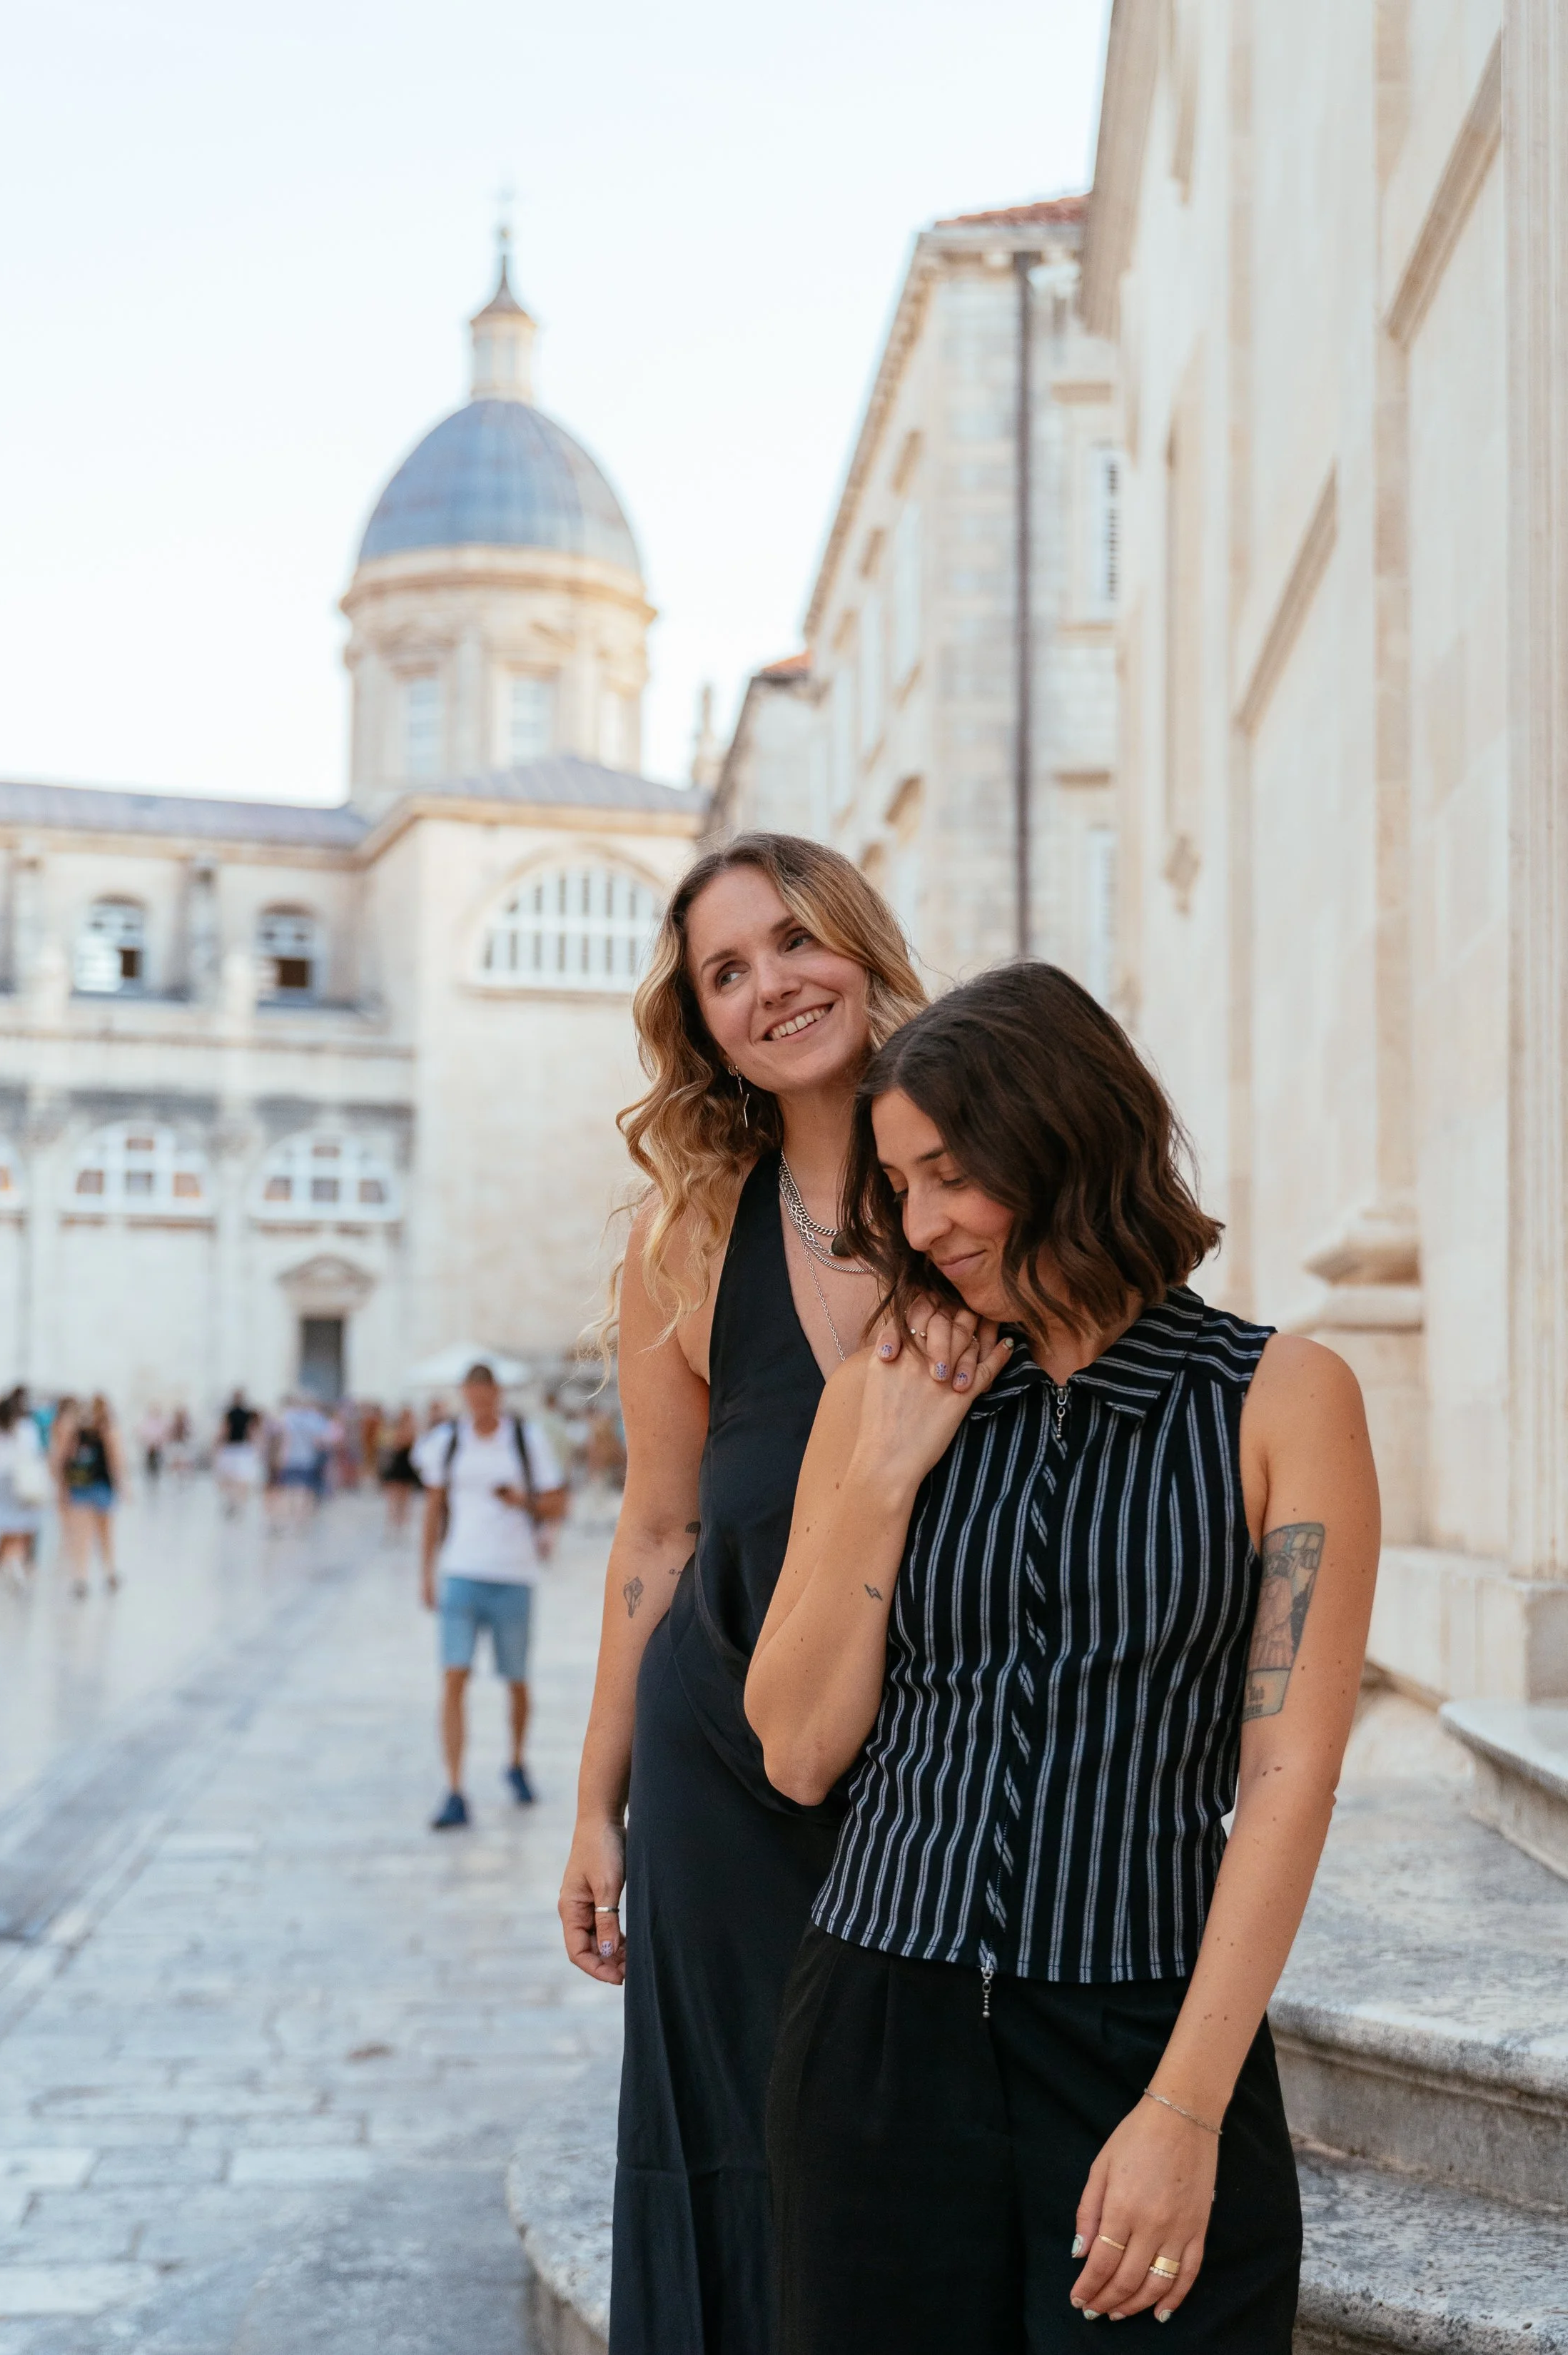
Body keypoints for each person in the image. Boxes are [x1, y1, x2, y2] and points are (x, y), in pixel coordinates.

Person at [746, 963, 1382, 2354]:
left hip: (1140, 2035)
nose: (919, 1223)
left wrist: (1182, 2108)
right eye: (895, 1185)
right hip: (874, 2031)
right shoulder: (880, 1387)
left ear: (1058, 1139)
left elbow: (1287, 1772)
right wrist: (883, 1475)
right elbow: (795, 1749)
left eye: (948, 1176)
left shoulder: (1280, 1399)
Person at [558, 835, 925, 2355]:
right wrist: (596, 1804)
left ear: (857, 941)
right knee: (736, 2144)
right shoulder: (689, 1230)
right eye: (726, 971)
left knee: (911, 2157)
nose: (770, 985)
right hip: (722, 1768)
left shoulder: (984, 1182)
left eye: (791, 941)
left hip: (941, 1759)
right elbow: (655, 1534)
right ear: (702, 1024)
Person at [417, 1362, 567, 1828]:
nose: (480, 1402)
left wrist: (520, 1500)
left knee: (516, 1679)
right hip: (461, 1570)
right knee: (454, 1677)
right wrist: (426, 1570)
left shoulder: (526, 1440)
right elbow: (434, 1508)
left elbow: (557, 1502)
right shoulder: (447, 1443)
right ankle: (455, 1787)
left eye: (487, 1394)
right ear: (465, 1394)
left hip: (513, 1573)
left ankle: (517, 1760)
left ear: (497, 1394)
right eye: (473, 1394)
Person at [51, 1394, 128, 1598]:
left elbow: (61, 1460)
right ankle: (110, 1570)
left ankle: (81, 1576)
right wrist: (123, 1488)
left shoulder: (76, 1431)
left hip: (80, 1487)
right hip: (103, 1486)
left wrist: (61, 1486)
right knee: (105, 1533)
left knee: (81, 1535)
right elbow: (116, 1461)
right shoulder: (109, 1430)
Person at [0, 1389, 46, 1581]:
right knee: (20, 1526)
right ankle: (15, 1562)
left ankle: (10, 1562)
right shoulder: (26, 1427)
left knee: (7, 1525)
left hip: (2, 1480)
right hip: (20, 1482)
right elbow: (33, 1452)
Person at [272, 1394, 333, 1528]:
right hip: (308, 1459)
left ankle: (286, 1519)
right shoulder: (315, 1420)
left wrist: (281, 1457)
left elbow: (282, 1438)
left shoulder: (288, 1418)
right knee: (304, 1491)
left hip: (290, 1459)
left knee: (288, 1490)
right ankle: (301, 1521)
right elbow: (321, 1441)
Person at [214, 1389, 262, 1516]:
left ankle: (233, 1501)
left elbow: (225, 1430)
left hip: (233, 1448)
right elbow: (251, 1432)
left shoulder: (231, 1413)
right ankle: (238, 1502)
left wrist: (217, 1444)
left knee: (231, 1477)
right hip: (242, 1448)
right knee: (239, 1477)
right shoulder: (246, 1414)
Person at [379, 1407, 423, 1535]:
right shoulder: (396, 1431)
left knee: (405, 1501)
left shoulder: (412, 1431)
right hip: (397, 1467)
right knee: (394, 1500)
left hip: (406, 1468)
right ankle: (393, 1528)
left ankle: (401, 1528)